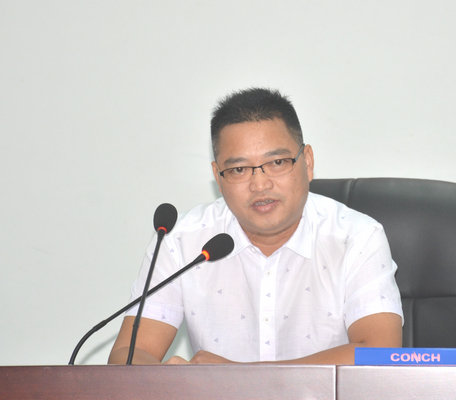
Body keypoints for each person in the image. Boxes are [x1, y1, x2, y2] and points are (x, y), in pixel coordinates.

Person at [108, 88, 403, 365]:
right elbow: (128, 354)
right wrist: (173, 382)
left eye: (277, 162)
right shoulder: (181, 240)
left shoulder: (356, 237)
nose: (260, 184)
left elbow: (379, 353)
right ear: (218, 176)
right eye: (238, 169)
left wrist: (243, 381)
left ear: (307, 162)